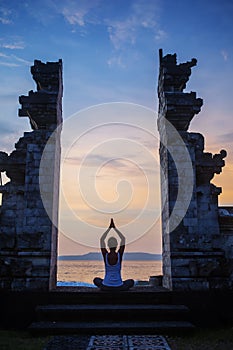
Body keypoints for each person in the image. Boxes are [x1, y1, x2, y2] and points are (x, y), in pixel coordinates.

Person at [93, 218, 134, 291]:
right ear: (117, 245)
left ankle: (106, 285)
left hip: (106, 286)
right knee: (131, 282)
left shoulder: (106, 255)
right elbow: (123, 239)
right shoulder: (119, 255)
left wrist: (109, 228)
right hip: (119, 286)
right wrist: (115, 228)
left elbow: (102, 240)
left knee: (96, 280)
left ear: (108, 245)